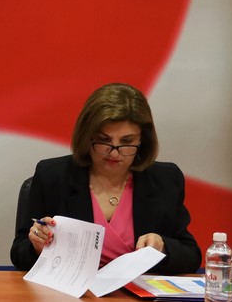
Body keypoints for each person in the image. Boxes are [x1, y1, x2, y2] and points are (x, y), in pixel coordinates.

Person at [11, 82, 200, 274]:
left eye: (127, 141)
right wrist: (38, 247)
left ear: (142, 140)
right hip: (71, 289)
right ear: (87, 137)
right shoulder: (52, 176)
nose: (114, 153)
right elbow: (19, 253)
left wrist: (162, 247)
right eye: (104, 140)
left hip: (138, 291)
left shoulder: (165, 179)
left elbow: (191, 255)